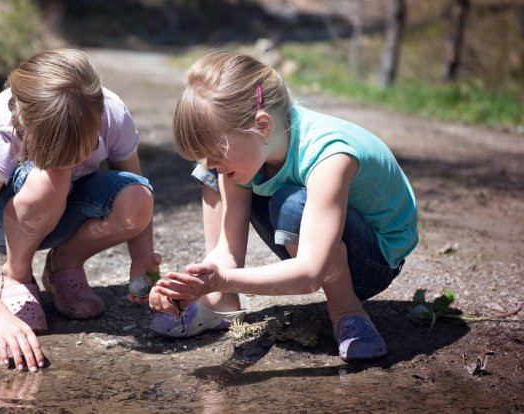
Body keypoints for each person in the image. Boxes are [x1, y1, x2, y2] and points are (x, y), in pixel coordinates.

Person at [149, 50, 417, 362]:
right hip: (317, 238)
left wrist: (223, 278)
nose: (212, 164)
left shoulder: (329, 156)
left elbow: (309, 275)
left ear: (262, 126)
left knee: (292, 205)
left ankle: (347, 312)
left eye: (217, 152)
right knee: (222, 177)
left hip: (374, 260)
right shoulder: (250, 150)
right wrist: (191, 284)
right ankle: (220, 304)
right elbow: (228, 252)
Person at [0, 49, 160, 373]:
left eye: (81, 150)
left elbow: (134, 182)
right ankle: (17, 274)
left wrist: (142, 257)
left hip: (66, 211)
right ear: (26, 129)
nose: (74, 161)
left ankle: (64, 264)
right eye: (61, 153)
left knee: (139, 197)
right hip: (3, 220)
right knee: (51, 180)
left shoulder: (110, 110)